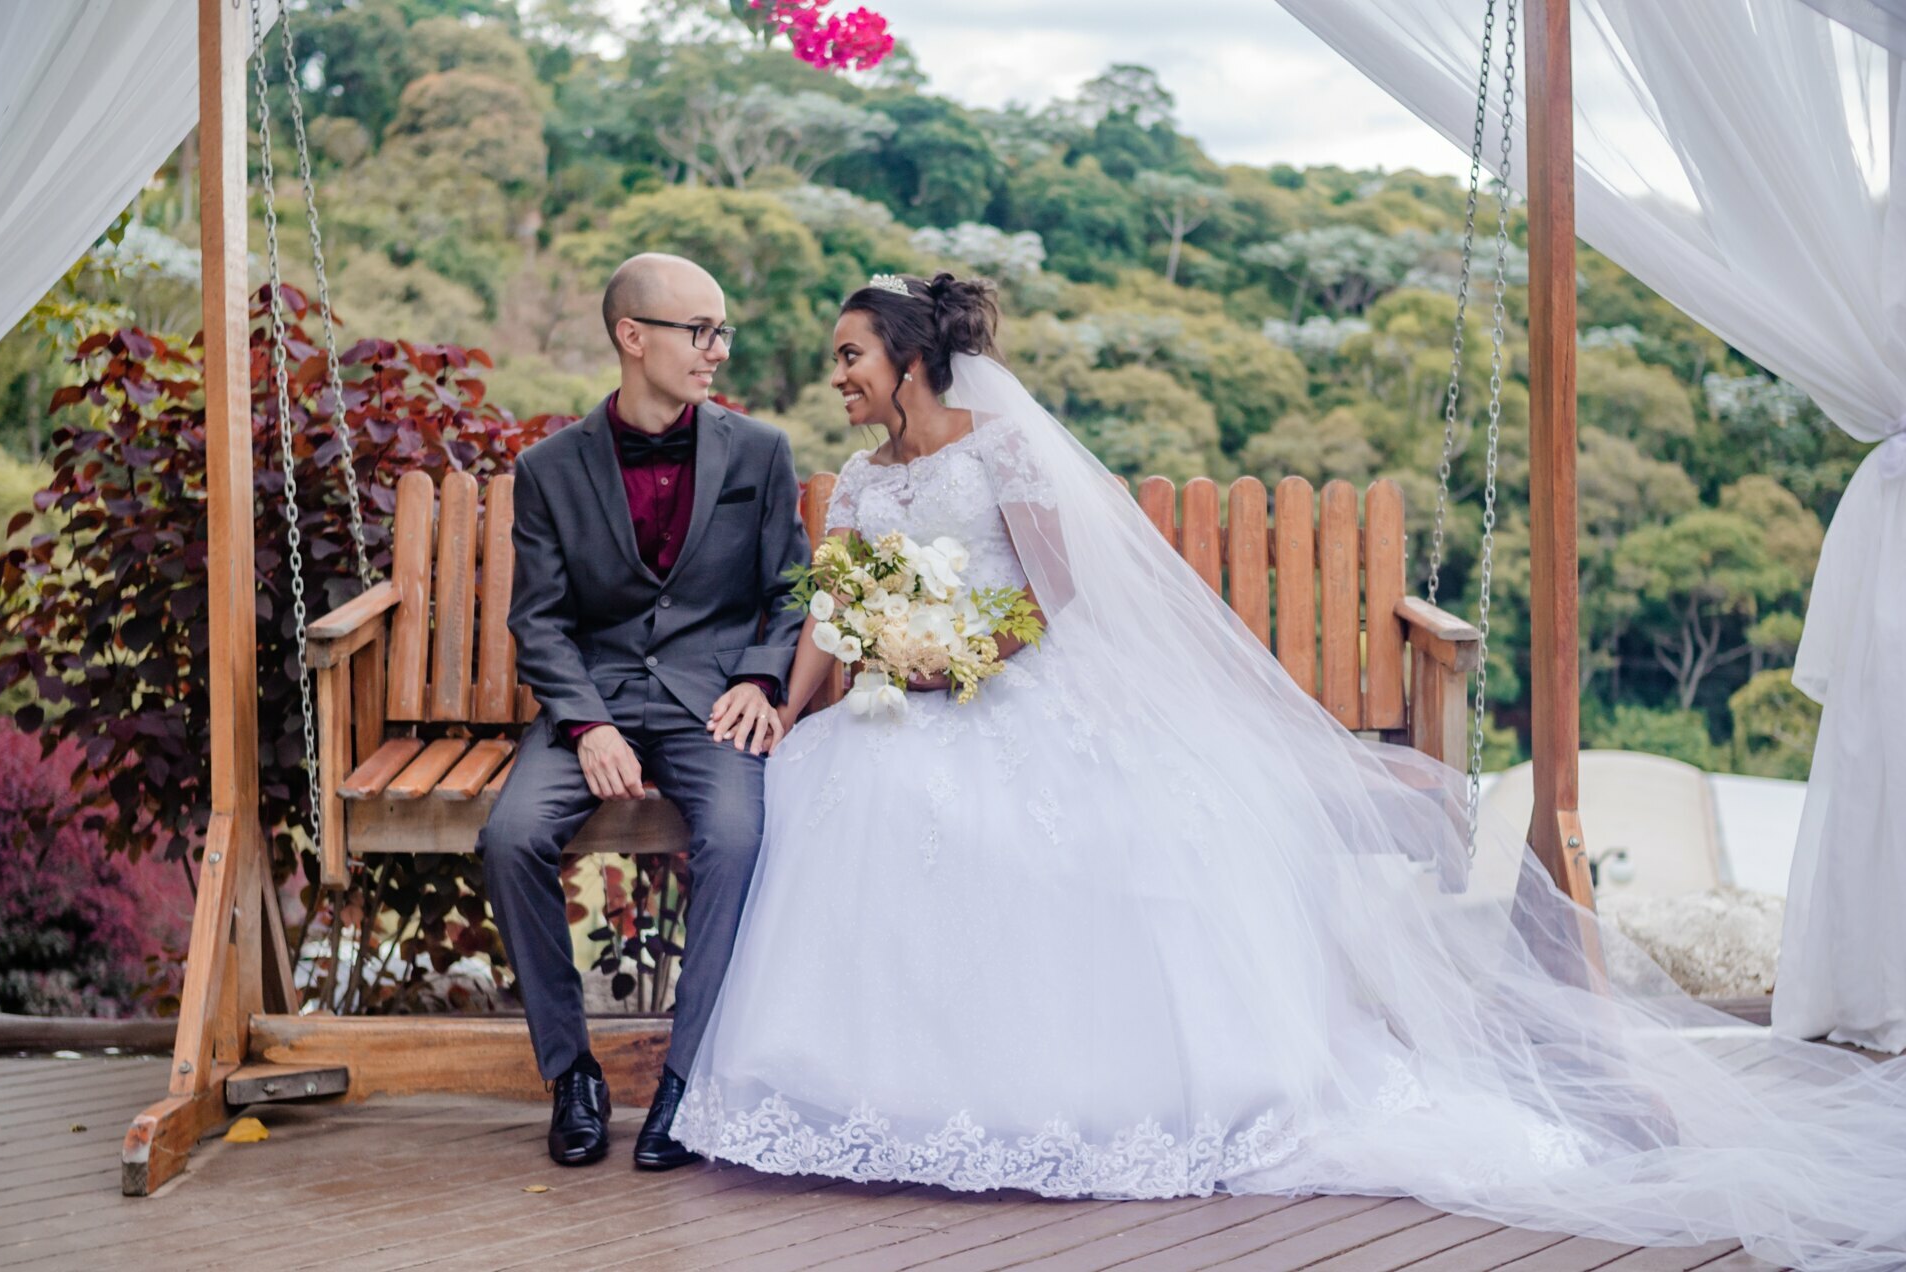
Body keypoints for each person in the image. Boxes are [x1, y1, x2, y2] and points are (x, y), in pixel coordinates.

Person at [673, 271, 1906, 1270]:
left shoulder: (1001, 455)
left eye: (849, 357)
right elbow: (833, 619)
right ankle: (862, 1093)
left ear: (910, 359)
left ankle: (1074, 1097)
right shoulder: (867, 486)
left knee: (1041, 826)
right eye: (837, 361)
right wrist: (791, 707)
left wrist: (959, 662)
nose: (835, 378)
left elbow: (1055, 602)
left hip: (1009, 680)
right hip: (899, 695)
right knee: (838, 789)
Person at [478, 253, 808, 1169]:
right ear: (633, 337)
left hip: (712, 705)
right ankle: (572, 1073)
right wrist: (586, 726)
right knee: (510, 838)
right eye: (700, 332)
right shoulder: (548, 468)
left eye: (721, 332)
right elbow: (538, 620)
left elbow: (792, 592)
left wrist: (761, 679)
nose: (717, 352)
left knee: (739, 837)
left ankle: (687, 1082)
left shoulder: (761, 452)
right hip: (597, 703)